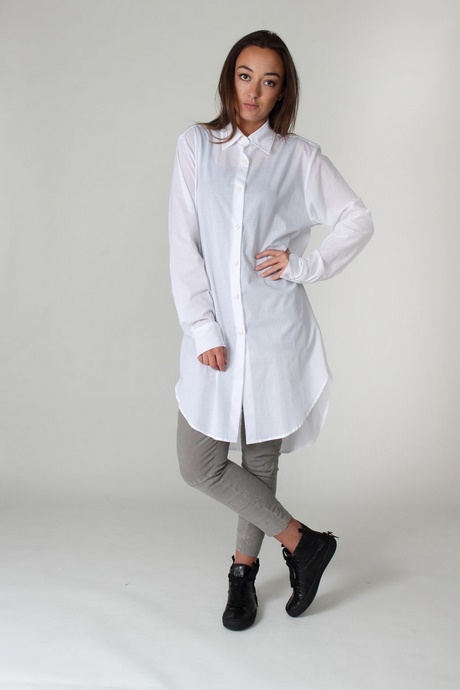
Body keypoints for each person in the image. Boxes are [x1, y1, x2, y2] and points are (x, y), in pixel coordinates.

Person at [168, 30, 373, 631]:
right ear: (229, 78)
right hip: (217, 333)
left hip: (275, 328)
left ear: (283, 91)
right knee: (199, 461)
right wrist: (203, 328)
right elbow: (184, 244)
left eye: (269, 81)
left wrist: (303, 265)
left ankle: (243, 575)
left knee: (260, 460)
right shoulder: (196, 146)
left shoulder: (298, 157)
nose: (253, 91)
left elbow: (356, 218)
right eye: (245, 76)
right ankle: (304, 543)